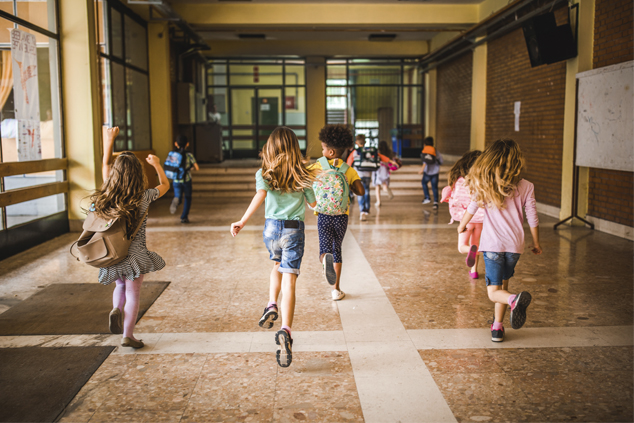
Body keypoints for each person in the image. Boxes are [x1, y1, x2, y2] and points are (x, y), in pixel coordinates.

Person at [230, 127, 316, 368]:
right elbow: (313, 204)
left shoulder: (263, 173)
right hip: (293, 229)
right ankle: (286, 331)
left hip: (271, 230)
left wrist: (242, 221)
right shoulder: (302, 174)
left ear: (270, 147)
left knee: (276, 267)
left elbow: (260, 196)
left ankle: (271, 304)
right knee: (290, 279)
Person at [457, 139, 542, 343]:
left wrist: (461, 226)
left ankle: (513, 300)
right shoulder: (527, 186)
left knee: (494, 292)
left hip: (493, 246)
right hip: (515, 247)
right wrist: (536, 242)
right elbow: (532, 215)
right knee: (503, 284)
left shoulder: (486, 185)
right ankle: (497, 327)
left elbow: (472, 208)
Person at [95, 126, 170, 349]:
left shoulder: (108, 195)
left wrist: (109, 141)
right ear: (138, 174)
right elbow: (165, 185)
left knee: (119, 286)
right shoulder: (144, 196)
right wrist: (156, 164)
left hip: (113, 252)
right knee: (133, 292)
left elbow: (105, 166)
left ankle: (116, 309)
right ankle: (128, 334)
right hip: (135, 255)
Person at [309, 124, 364, 301]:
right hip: (341, 216)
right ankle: (336, 290)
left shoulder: (317, 166)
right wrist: (350, 183)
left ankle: (325, 259)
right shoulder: (348, 169)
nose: (322, 150)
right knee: (337, 248)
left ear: (331, 151)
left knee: (325, 247)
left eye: (324, 147)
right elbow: (361, 191)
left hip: (323, 215)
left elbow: (300, 180)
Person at [441, 150, 484, 278]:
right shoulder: (481, 182)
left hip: (466, 220)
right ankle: (474, 271)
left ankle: (475, 252)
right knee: (475, 244)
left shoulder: (459, 180)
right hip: (481, 220)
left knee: (462, 247)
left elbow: (453, 197)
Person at [346, 134, 394, 221]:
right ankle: (367, 209)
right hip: (368, 174)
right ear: (365, 142)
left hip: (358, 175)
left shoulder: (355, 152)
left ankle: (362, 211)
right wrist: (391, 161)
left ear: (356, 142)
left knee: (360, 192)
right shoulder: (370, 151)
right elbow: (381, 157)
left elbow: (348, 163)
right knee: (367, 190)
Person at [169, 135, 199, 223]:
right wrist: (190, 168)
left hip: (176, 180)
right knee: (187, 198)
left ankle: (177, 200)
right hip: (186, 180)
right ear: (187, 144)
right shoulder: (189, 155)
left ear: (175, 144)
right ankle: (184, 217)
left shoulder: (172, 154)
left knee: (178, 195)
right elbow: (197, 167)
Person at [418, 136, 443, 209]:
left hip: (427, 172)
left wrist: (422, 169)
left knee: (423, 183)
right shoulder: (435, 151)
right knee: (434, 187)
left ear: (425, 144)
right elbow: (441, 161)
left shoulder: (425, 151)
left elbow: (424, 161)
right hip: (435, 172)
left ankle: (427, 197)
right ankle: (435, 203)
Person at [373, 141, 397, 207]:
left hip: (378, 169)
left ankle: (378, 202)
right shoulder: (389, 152)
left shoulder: (378, 152)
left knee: (377, 186)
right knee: (384, 184)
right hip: (385, 169)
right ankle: (386, 189)